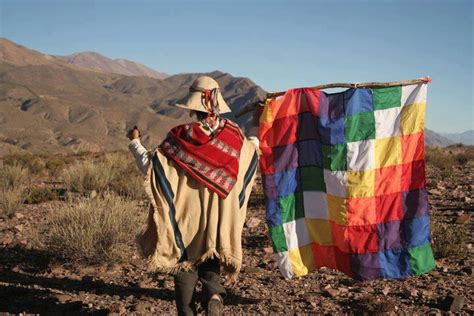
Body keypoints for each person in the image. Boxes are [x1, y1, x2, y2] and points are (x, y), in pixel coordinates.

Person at [127, 76, 259, 315]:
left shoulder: (181, 136)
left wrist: (135, 142)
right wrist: (259, 122)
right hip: (219, 218)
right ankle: (214, 295)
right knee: (211, 258)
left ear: (193, 107)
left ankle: (187, 311)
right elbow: (253, 150)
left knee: (184, 265)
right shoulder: (235, 136)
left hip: (187, 216)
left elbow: (151, 167)